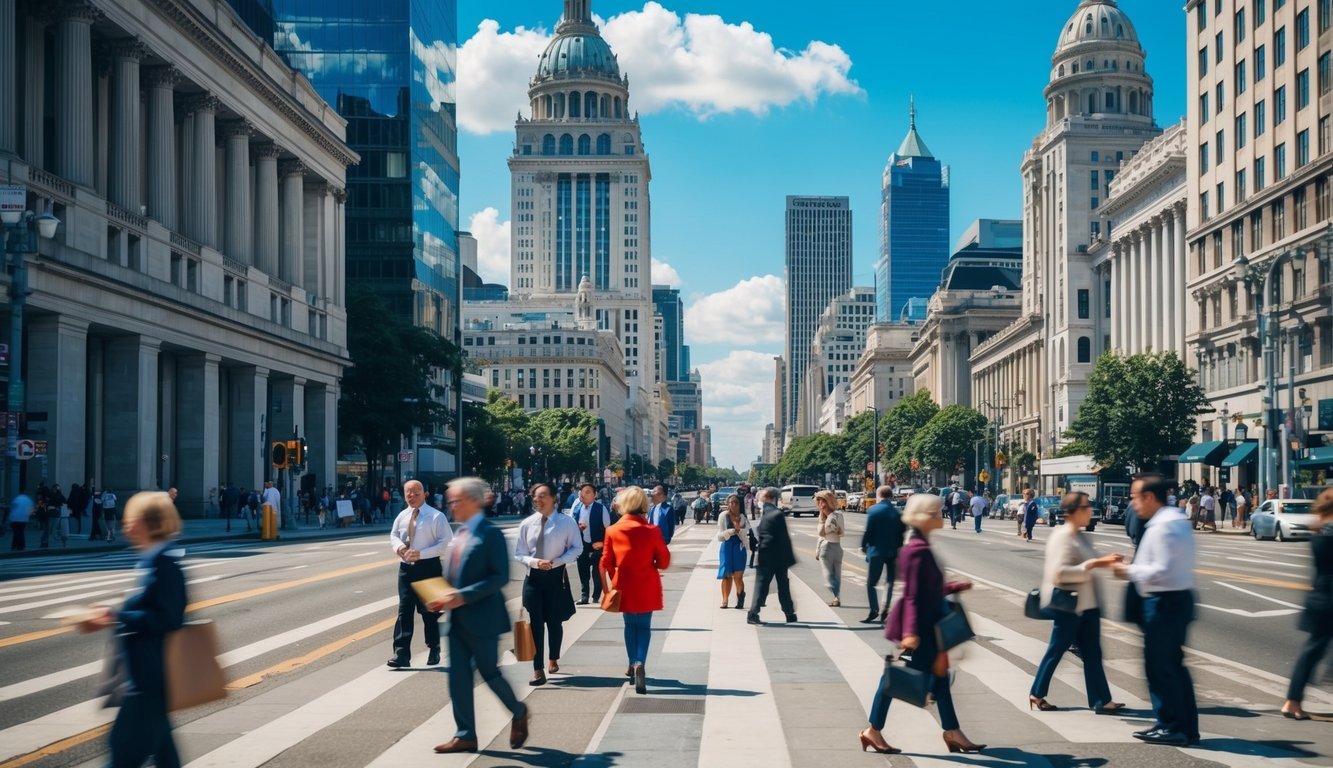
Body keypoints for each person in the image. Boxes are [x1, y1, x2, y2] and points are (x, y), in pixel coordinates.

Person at [862, 492, 984, 755]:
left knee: (937, 678)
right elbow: (914, 595)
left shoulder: (921, 546)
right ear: (924, 517)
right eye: (935, 512)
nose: (940, 515)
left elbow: (928, 589)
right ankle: (873, 730)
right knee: (895, 680)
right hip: (920, 628)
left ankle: (953, 732)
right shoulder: (917, 550)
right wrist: (910, 632)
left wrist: (953, 585)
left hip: (928, 625)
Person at [78, 491, 186, 768]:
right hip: (146, 679)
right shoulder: (154, 562)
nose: (127, 525)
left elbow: (168, 618)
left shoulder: (165, 566)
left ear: (150, 523)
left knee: (122, 756)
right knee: (164, 756)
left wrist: (117, 616)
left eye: (132, 519)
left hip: (147, 681)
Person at [427, 477, 530, 754]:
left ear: (473, 501)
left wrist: (463, 595)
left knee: (489, 673)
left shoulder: (489, 533)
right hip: (457, 619)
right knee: (457, 678)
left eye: (455, 501)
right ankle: (466, 735)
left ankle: (519, 712)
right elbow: (455, 574)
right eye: (450, 501)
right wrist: (441, 596)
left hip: (483, 618)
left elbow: (500, 577)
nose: (451, 505)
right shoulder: (459, 533)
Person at [1113, 472, 1199, 746]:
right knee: (1173, 666)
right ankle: (1184, 727)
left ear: (1149, 497)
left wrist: (1128, 571)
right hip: (1175, 600)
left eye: (1135, 497)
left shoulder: (1162, 525)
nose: (1132, 503)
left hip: (1163, 603)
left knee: (1160, 669)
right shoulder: (1175, 519)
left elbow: (1160, 568)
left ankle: (1171, 726)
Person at [1028, 492, 1124, 713]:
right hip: (1069, 606)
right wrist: (1094, 564)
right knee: (1056, 650)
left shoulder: (1081, 535)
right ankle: (1037, 693)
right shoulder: (1062, 536)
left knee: (1093, 654)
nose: (1090, 510)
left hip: (1087, 605)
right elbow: (1059, 574)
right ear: (1073, 512)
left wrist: (1108, 564)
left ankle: (1102, 700)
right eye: (1086, 506)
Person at [600, 485, 671, 694]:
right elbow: (664, 561)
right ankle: (640, 661)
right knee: (644, 626)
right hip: (647, 583)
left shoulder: (612, 530)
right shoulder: (652, 530)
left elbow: (605, 561)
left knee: (630, 625)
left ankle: (632, 662)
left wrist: (614, 578)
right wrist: (652, 562)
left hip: (624, 583)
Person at [514, 482, 581, 685]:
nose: (537, 500)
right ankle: (537, 669)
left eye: (542, 496)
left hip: (556, 576)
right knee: (534, 624)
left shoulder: (566, 523)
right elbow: (519, 553)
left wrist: (557, 562)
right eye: (535, 496)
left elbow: (576, 548)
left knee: (554, 621)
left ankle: (553, 657)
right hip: (533, 578)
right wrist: (534, 562)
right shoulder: (527, 524)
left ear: (554, 498)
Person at [386, 480, 453, 668]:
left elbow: (446, 543)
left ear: (425, 494)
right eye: (408, 492)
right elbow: (393, 535)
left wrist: (422, 554)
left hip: (429, 567)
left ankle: (434, 647)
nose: (412, 496)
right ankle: (401, 653)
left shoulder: (436, 516)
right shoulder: (402, 516)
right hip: (406, 568)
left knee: (430, 611)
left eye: (416, 492)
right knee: (404, 610)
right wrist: (398, 548)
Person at [1281, 487, 1333, 720]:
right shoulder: (1329, 533)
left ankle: (1293, 701)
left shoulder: (1321, 532)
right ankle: (1292, 702)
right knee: (1313, 651)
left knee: (1313, 651)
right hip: (1328, 599)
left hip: (1321, 597)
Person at [747, 487, 797, 626]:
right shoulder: (775, 513)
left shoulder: (770, 513)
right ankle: (788, 613)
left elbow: (773, 536)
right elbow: (784, 538)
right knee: (781, 585)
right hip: (777, 557)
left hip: (768, 556)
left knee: (763, 586)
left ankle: (754, 613)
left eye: (760, 497)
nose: (758, 499)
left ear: (768, 497)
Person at [862, 486, 905, 624]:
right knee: (890, 582)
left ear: (878, 495)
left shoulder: (873, 510)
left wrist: (864, 546)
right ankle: (885, 609)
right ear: (891, 496)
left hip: (876, 551)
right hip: (893, 551)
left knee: (871, 583)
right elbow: (901, 535)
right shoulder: (897, 512)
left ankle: (874, 609)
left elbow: (868, 531)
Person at [571, 483, 612, 605]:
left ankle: (596, 596)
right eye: (583, 492)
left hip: (597, 545)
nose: (584, 495)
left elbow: (609, 529)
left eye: (588, 492)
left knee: (597, 572)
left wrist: (603, 544)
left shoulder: (601, 508)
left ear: (595, 495)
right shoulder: (577, 508)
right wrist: (578, 529)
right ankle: (584, 596)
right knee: (583, 570)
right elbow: (571, 527)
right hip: (582, 545)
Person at [716, 495, 749, 609]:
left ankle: (740, 598)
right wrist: (730, 531)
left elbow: (746, 534)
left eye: (736, 502)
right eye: (731, 502)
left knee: (738, 576)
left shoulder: (742, 517)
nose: (733, 505)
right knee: (727, 575)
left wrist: (741, 531)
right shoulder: (723, 516)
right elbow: (720, 536)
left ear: (739, 504)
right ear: (728, 504)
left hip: (739, 546)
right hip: (727, 545)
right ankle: (725, 600)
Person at [815, 490, 845, 607]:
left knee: (828, 577)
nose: (818, 505)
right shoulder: (839, 515)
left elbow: (821, 533)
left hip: (827, 547)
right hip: (838, 547)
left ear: (826, 503)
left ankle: (835, 593)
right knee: (836, 576)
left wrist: (823, 519)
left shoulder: (827, 517)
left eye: (820, 502)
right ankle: (836, 598)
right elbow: (841, 533)